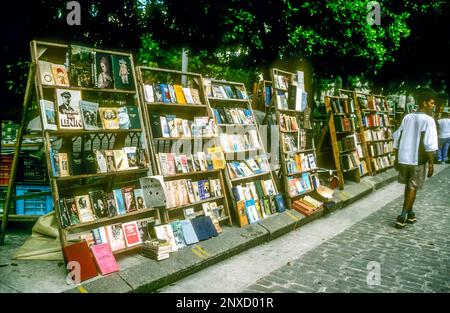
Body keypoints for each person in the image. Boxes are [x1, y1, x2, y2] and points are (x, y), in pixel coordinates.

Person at [393, 89, 438, 229]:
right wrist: (431, 163)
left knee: (409, 186)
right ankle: (402, 215)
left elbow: (397, 136)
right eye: (431, 103)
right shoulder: (429, 120)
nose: (433, 105)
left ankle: (411, 213)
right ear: (424, 103)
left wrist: (396, 157)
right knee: (413, 186)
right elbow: (429, 144)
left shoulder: (407, 117)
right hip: (417, 159)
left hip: (403, 158)